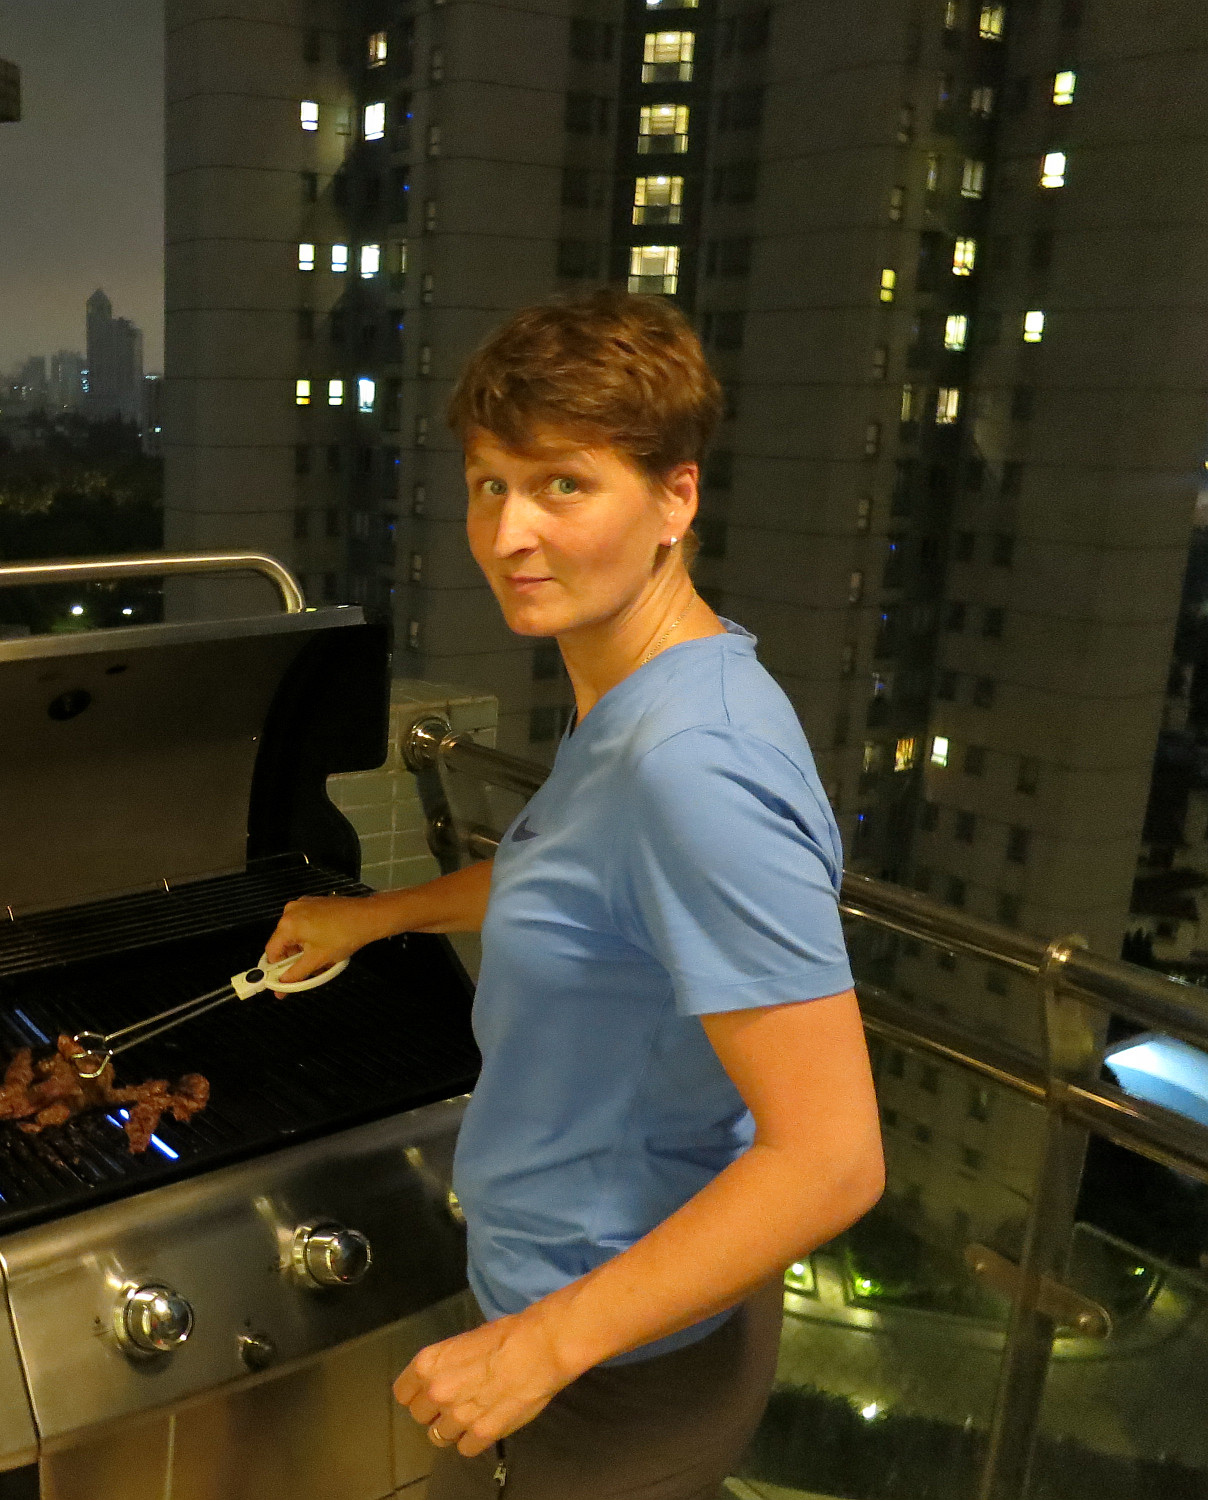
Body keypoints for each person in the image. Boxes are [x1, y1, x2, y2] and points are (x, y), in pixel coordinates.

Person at [263, 289, 885, 1499]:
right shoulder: (642, 691)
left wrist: (537, 1349)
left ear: (673, 498)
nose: (509, 533)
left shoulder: (693, 766)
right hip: (592, 1311)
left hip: (614, 1370)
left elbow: (830, 1159)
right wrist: (378, 916)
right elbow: (581, 875)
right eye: (488, 485)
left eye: (562, 484)